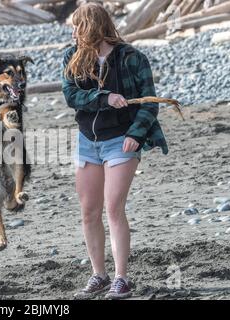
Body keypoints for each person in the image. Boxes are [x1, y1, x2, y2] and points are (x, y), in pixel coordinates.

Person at [61, 3, 168, 300]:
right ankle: (99, 275)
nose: (73, 33)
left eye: (78, 27)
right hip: (87, 141)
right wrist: (105, 97)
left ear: (92, 27)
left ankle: (122, 279)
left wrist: (136, 134)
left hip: (121, 141)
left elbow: (150, 103)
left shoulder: (132, 58)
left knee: (113, 207)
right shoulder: (72, 57)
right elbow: (71, 95)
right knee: (88, 212)